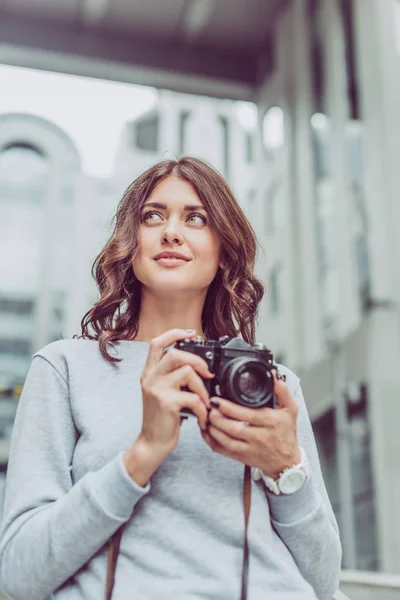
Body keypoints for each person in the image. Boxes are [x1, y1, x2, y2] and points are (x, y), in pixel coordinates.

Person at [0, 157, 342, 600]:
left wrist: (285, 469)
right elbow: (20, 573)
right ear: (130, 241)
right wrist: (143, 452)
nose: (171, 232)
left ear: (223, 252)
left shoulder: (267, 383)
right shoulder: (65, 368)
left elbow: (323, 580)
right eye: (153, 216)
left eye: (195, 218)